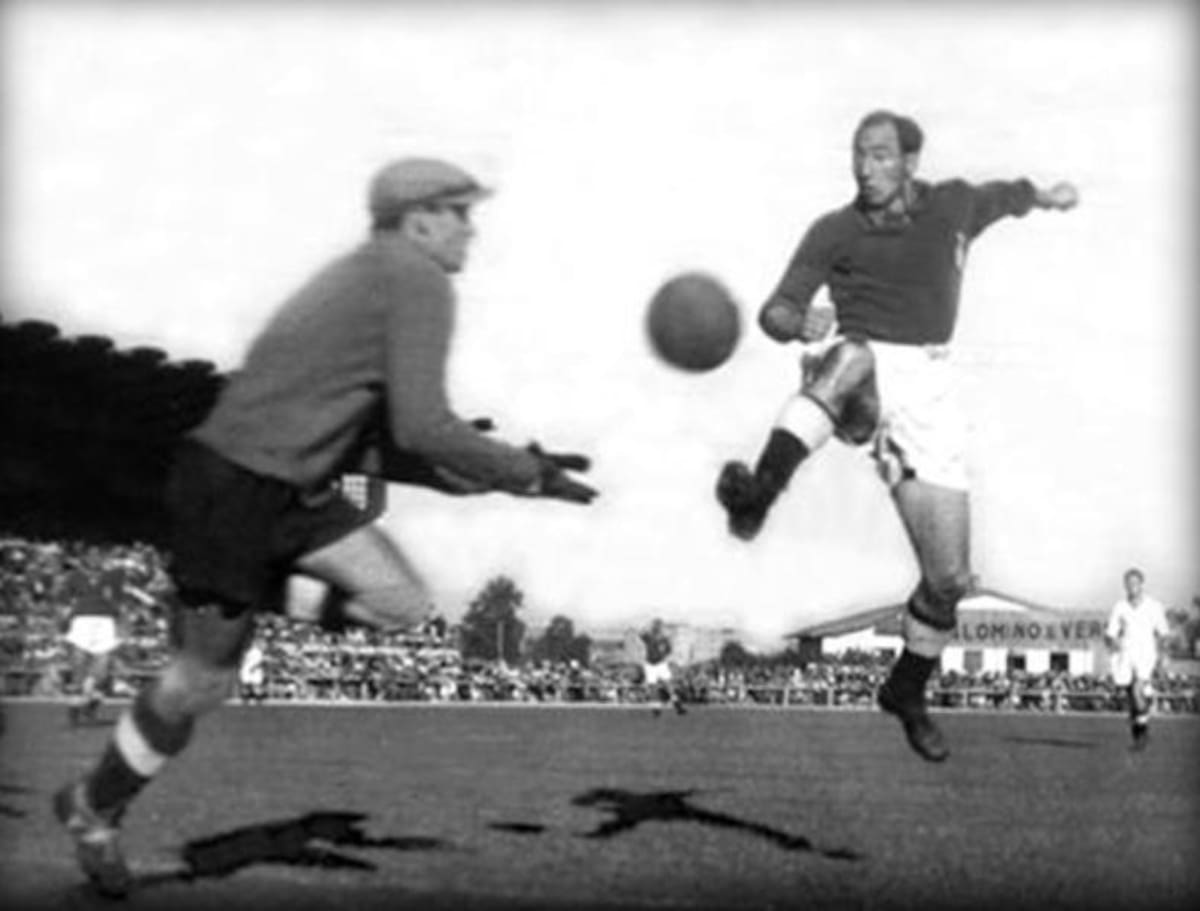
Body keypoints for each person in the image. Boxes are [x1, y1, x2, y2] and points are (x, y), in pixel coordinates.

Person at [53, 156, 598, 897]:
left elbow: (381, 438)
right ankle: (92, 805)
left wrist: (501, 475)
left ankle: (262, 592)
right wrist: (521, 471)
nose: (471, 229)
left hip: (288, 490)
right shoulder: (414, 276)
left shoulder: (373, 274)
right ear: (419, 219)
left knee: (404, 605)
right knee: (197, 685)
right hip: (236, 488)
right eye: (461, 212)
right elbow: (424, 425)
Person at [715, 110, 1079, 761]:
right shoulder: (834, 230)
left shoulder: (957, 205)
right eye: (859, 155)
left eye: (881, 156)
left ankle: (907, 688)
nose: (865, 168)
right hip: (857, 368)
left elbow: (1010, 195)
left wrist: (1046, 197)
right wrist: (794, 322)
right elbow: (778, 307)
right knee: (852, 354)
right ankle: (759, 492)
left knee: (949, 579)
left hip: (927, 397)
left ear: (911, 161)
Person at [1104, 568, 1169, 750]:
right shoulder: (1120, 607)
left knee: (1137, 690)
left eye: (1135, 582)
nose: (1132, 586)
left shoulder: (1154, 606)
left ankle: (1143, 731)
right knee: (1132, 698)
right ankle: (1139, 732)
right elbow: (1110, 633)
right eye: (1128, 582)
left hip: (1146, 654)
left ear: (1141, 584)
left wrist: (1163, 655)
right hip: (1125, 654)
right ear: (1125, 585)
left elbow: (1163, 633)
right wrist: (1112, 643)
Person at [60, 553, 126, 726]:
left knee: (102, 672)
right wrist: (64, 621)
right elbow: (64, 601)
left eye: (99, 553)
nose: (95, 557)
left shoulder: (114, 575)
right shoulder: (75, 576)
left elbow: (119, 601)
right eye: (91, 554)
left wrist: (121, 625)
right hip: (81, 620)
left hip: (105, 622)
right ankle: (74, 711)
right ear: (85, 557)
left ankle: (90, 707)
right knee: (78, 666)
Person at [640, 619, 684, 716]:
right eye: (655, 625)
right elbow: (641, 633)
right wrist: (646, 625)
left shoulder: (664, 638)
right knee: (653, 687)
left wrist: (663, 654)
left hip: (660, 664)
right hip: (650, 664)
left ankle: (677, 705)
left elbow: (669, 650)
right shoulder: (649, 636)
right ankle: (656, 708)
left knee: (669, 685)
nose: (656, 628)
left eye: (658, 626)